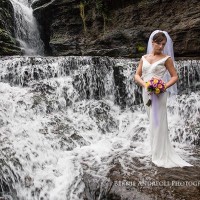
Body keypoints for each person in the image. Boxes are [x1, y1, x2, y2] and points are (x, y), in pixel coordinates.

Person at [134, 30, 193, 168]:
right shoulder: (144, 58)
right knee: (152, 121)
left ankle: (160, 154)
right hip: (146, 92)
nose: (161, 46)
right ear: (152, 43)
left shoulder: (167, 59)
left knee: (159, 122)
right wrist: (145, 85)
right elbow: (137, 75)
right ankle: (155, 151)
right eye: (159, 43)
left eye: (164, 44)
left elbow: (174, 76)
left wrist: (163, 86)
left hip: (160, 93)